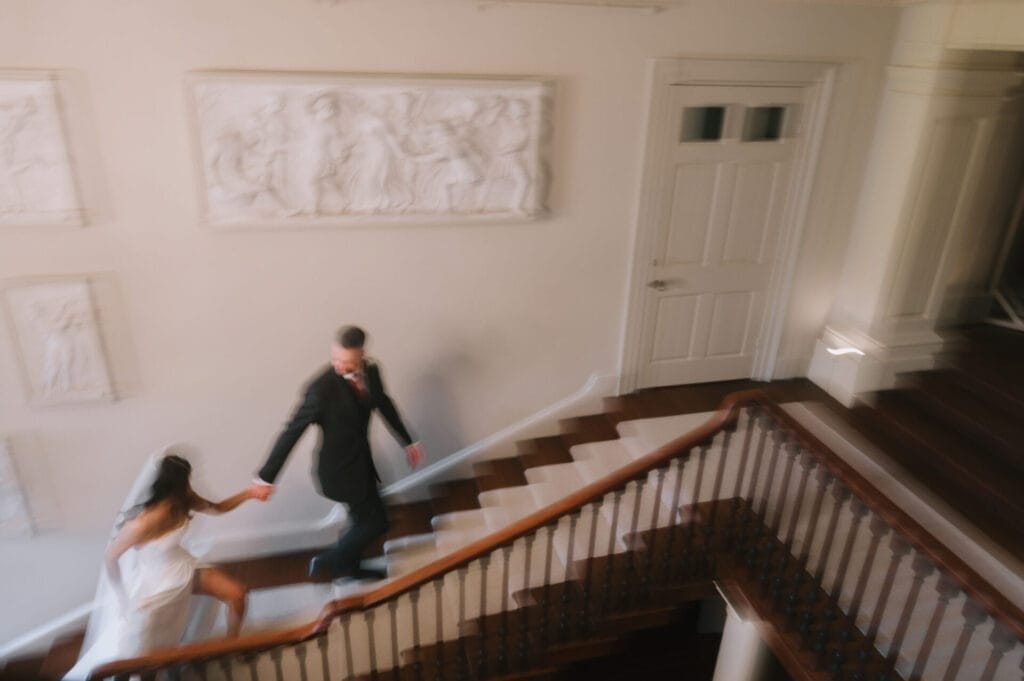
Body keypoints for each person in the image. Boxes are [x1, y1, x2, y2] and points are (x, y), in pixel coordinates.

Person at [251, 325, 423, 581]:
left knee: (366, 518)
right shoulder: (320, 389)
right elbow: (291, 432)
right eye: (335, 359)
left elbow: (383, 403)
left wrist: (408, 442)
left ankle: (347, 567)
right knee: (378, 522)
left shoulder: (372, 370)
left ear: (362, 354)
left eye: (347, 362)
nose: (339, 366)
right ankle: (330, 561)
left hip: (362, 464)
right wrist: (266, 478)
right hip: (338, 471)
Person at [64, 454, 259, 680]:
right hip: (158, 584)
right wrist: (121, 595)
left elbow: (219, 508)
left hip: (184, 567)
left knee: (237, 594)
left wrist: (249, 493)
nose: (189, 486)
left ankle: (230, 646)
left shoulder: (185, 498)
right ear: (172, 484)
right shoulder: (143, 523)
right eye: (185, 481)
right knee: (144, 651)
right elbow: (111, 558)